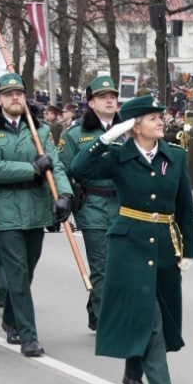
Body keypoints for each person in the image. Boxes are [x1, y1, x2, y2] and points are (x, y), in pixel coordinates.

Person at [68, 92, 193, 384]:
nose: (161, 121)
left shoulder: (175, 156)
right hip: (129, 244)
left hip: (166, 243)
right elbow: (79, 167)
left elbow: (185, 207)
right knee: (149, 312)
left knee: (157, 311)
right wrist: (108, 136)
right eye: (153, 118)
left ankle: (132, 370)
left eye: (161, 117)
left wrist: (189, 251)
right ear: (135, 125)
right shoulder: (118, 156)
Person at [0, 73, 74, 356]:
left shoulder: (40, 130)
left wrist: (65, 195)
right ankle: (28, 336)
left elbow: (54, 164)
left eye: (19, 92)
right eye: (8, 94)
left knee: (27, 270)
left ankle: (9, 318)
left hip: (36, 205)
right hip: (5, 208)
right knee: (16, 272)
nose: (15, 97)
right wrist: (32, 168)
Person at [58, 75, 122, 333]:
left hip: (124, 205)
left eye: (112, 96)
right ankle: (108, 320)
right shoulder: (76, 134)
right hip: (92, 204)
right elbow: (61, 169)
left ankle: (95, 312)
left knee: (119, 266)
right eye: (102, 97)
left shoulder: (131, 129)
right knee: (102, 266)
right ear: (91, 103)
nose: (109, 101)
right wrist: (64, 199)